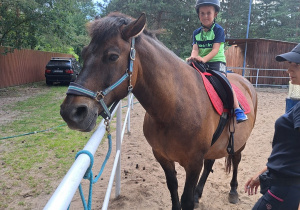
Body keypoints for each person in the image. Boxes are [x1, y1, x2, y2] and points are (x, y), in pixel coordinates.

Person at [244, 43, 300, 210]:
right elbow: (289, 152)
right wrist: (264, 173)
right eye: (289, 65)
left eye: (296, 65)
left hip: (285, 190)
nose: (289, 70)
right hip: (282, 185)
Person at [187, 0, 248, 123]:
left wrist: (203, 59)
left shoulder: (218, 30)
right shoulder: (196, 33)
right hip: (201, 61)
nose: (205, 16)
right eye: (202, 13)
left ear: (215, 14)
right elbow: (195, 49)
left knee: (224, 81)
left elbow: (215, 50)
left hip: (216, 61)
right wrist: (193, 57)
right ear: (199, 15)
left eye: (208, 13)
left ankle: (237, 109)